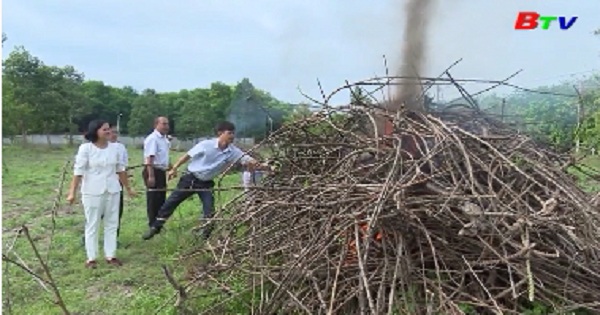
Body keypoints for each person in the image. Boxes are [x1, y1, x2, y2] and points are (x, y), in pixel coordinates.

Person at [142, 121, 269, 241]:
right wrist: (174, 168)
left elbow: (249, 160)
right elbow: (187, 156)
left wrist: (265, 166)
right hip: (190, 178)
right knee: (171, 202)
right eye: (229, 133)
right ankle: (155, 227)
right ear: (220, 133)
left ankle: (204, 236)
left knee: (209, 210)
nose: (232, 136)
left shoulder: (233, 151)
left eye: (233, 133)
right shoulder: (206, 145)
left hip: (206, 184)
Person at [67, 120, 136, 269]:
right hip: (92, 191)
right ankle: (91, 258)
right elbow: (78, 172)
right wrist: (72, 192)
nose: (108, 132)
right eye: (105, 129)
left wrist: (128, 188)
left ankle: (110, 255)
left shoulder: (115, 148)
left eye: (109, 129)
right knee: (93, 223)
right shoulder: (86, 149)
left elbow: (120, 170)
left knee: (112, 223)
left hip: (113, 190)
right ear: (96, 131)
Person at [80, 126, 128, 246]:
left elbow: (122, 167)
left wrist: (126, 183)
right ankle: (89, 242)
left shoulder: (119, 147)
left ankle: (112, 244)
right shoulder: (88, 148)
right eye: (110, 131)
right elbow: (81, 169)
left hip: (115, 185)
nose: (113, 134)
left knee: (115, 215)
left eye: (116, 132)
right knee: (95, 216)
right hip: (95, 188)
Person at [142, 116, 171, 229]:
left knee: (161, 198)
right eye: (163, 124)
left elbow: (164, 156)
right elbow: (150, 158)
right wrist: (151, 175)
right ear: (156, 125)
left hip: (161, 171)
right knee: (153, 198)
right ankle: (152, 223)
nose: (166, 126)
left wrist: (171, 167)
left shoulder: (164, 139)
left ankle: (159, 223)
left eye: (167, 124)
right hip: (153, 170)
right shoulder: (152, 139)